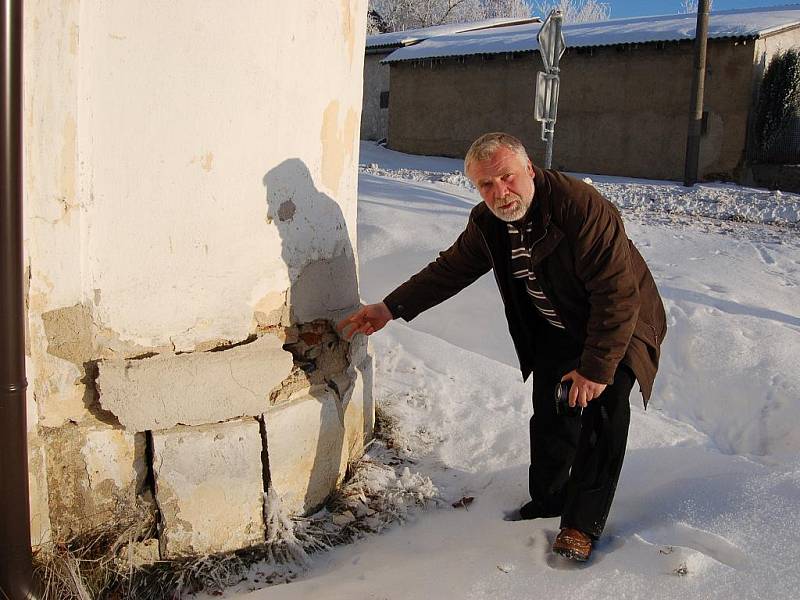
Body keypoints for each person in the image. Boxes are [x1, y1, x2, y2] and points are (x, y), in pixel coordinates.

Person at [338, 132, 666, 562]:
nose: (500, 193)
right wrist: (389, 308)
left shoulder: (580, 208)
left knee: (604, 412)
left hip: (620, 325)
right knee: (551, 412)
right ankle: (548, 500)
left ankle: (581, 525)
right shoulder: (488, 222)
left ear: (529, 169)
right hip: (556, 327)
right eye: (486, 185)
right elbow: (450, 270)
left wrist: (596, 371)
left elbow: (617, 295)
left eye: (507, 178)